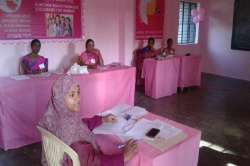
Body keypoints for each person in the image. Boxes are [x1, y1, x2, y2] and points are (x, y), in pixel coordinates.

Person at [39, 76, 138, 166]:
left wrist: (102, 119)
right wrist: (123, 157)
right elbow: (91, 162)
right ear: (59, 99)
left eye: (78, 92)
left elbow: (79, 124)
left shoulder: (54, 116)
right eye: (72, 95)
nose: (78, 98)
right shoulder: (71, 136)